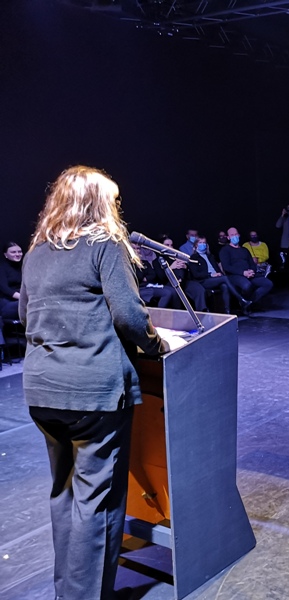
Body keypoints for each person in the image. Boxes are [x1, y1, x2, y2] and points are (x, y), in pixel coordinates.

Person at [19, 165, 171, 600]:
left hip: (44, 392)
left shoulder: (36, 253)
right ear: (98, 203)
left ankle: (68, 591)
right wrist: (157, 344)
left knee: (64, 494)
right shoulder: (104, 244)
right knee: (97, 504)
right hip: (93, 394)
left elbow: (25, 318)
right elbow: (128, 316)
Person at [188, 236, 252, 314]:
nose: (203, 244)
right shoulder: (193, 258)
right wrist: (211, 275)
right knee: (224, 279)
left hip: (215, 279)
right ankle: (241, 300)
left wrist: (218, 274)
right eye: (200, 243)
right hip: (203, 281)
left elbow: (217, 269)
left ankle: (227, 311)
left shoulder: (210, 256)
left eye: (204, 243)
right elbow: (196, 274)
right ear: (196, 245)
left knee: (224, 285)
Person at [220, 227, 274, 311]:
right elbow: (227, 267)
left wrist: (252, 270)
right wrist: (243, 272)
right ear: (228, 237)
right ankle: (245, 303)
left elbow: (252, 264)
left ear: (239, 235)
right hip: (235, 275)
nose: (234, 236)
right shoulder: (225, 250)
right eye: (232, 235)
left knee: (267, 283)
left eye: (236, 234)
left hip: (249, 274)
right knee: (246, 285)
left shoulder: (244, 250)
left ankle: (248, 302)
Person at [133, 243, 181, 308]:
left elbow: (153, 275)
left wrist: (145, 278)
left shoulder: (145, 262)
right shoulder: (130, 263)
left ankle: (176, 314)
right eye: (134, 248)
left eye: (138, 248)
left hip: (150, 285)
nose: (137, 250)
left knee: (174, 291)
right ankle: (159, 314)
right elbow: (139, 277)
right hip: (139, 288)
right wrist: (139, 268)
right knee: (167, 293)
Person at [0, 241, 23, 320]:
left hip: (23, 299)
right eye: (13, 252)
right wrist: (23, 298)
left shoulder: (24, 267)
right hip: (8, 303)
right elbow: (4, 289)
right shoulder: (2, 268)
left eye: (19, 252)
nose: (17, 254)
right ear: (5, 255)